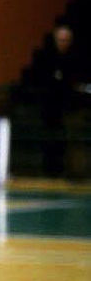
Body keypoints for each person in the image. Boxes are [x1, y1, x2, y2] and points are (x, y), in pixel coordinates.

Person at [30, 24, 89, 177]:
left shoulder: (78, 58)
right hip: (51, 108)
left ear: (71, 40)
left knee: (74, 140)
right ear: (55, 40)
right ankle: (51, 172)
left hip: (73, 107)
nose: (63, 43)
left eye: (66, 40)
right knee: (51, 140)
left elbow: (79, 82)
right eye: (60, 40)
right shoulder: (46, 58)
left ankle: (76, 174)